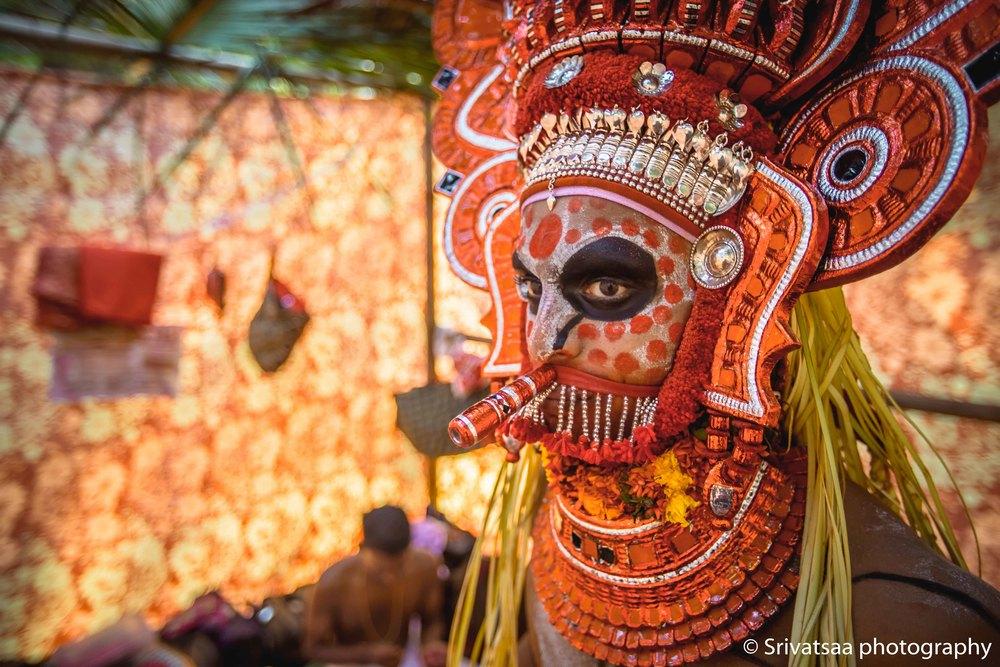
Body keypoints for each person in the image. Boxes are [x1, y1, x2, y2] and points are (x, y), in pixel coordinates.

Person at [430, 1, 1000, 665]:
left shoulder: (906, 628)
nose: (545, 337)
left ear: (729, 289)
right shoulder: (559, 527)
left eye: (607, 288)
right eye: (532, 289)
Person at [303, 506, 446, 667]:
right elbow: (314, 649)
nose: (390, 577)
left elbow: (432, 620)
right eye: (381, 569)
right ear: (362, 548)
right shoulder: (334, 583)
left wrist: (431, 645)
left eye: (399, 568)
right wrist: (367, 655)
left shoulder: (424, 567)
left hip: (405, 657)